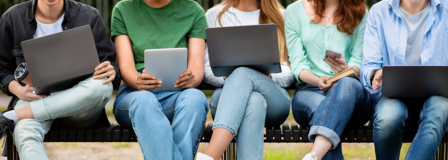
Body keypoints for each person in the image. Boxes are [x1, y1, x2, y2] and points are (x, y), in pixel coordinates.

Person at [0, 0, 120, 159]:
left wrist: (111, 70)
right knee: (24, 130)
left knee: (102, 86)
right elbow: (2, 68)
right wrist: (19, 90)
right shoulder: (12, 17)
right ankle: (20, 115)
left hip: (79, 108)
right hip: (34, 98)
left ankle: (14, 115)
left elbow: (109, 66)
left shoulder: (90, 16)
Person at [361, 0, 448, 159]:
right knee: (387, 117)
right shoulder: (379, 12)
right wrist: (374, 75)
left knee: (436, 111)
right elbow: (369, 66)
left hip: (441, 100)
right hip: (393, 99)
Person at [195, 0, 294, 159]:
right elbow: (207, 69)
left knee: (242, 73)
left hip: (274, 101)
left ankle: (210, 155)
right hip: (225, 101)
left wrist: (265, 76)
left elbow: (292, 70)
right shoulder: (214, 15)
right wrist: (230, 77)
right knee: (254, 99)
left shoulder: (282, 17)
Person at [110, 0, 209, 159]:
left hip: (177, 95)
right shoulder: (123, 9)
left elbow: (197, 65)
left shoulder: (194, 10)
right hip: (135, 96)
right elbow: (126, 65)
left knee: (195, 98)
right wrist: (138, 80)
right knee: (144, 99)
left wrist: (192, 78)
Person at [285, 0, 373, 159]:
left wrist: (345, 70)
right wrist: (318, 80)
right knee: (324, 109)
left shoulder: (360, 12)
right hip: (310, 90)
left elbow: (359, 61)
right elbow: (298, 64)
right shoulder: (294, 11)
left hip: (350, 92)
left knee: (345, 85)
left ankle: (314, 155)